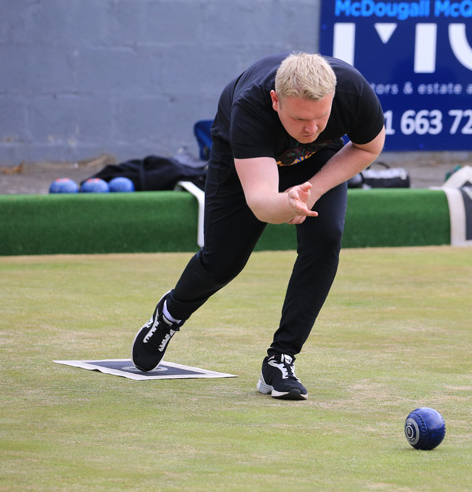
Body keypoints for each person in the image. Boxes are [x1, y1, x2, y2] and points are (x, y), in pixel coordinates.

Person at [131, 52, 385, 400]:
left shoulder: (353, 91)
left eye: (321, 117)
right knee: (223, 261)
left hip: (318, 159)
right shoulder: (250, 108)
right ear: (275, 101)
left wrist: (314, 192)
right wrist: (286, 203)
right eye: (299, 119)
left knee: (325, 239)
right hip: (245, 157)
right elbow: (261, 201)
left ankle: (281, 359)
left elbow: (369, 146)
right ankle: (170, 314)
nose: (310, 129)